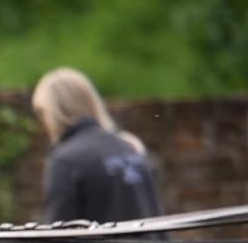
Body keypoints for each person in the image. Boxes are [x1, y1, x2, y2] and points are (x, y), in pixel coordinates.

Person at [31, 67, 165, 232]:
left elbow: (59, 239)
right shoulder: (130, 148)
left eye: (41, 113)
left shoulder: (66, 161)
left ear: (54, 111)